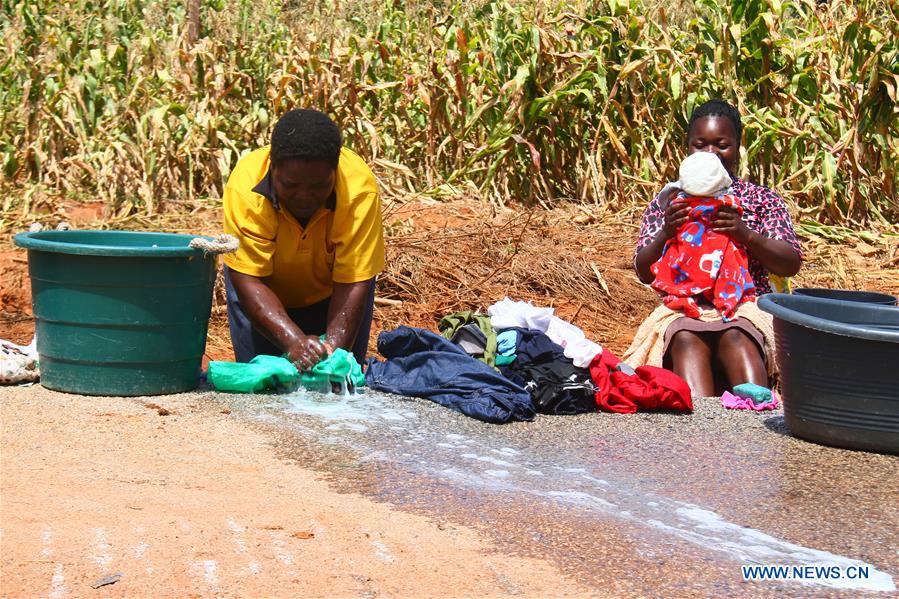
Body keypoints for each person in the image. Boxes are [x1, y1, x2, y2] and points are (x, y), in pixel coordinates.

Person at [624, 99, 802, 397]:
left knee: (737, 337)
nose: (711, 154)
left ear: (737, 147)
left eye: (722, 145)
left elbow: (790, 263)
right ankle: (704, 434)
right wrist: (667, 232)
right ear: (688, 148)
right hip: (685, 307)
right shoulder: (669, 201)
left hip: (745, 306)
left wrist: (745, 234)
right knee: (684, 339)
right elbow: (643, 270)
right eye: (700, 145)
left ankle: (754, 425)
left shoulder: (759, 200)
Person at [222, 108, 384, 371]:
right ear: (272, 168)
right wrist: (294, 342)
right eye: (291, 185)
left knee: (337, 382)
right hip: (262, 295)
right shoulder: (245, 187)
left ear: (335, 171)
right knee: (263, 396)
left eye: (319, 186)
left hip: (335, 295)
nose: (305, 196)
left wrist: (333, 354)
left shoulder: (358, 190)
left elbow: (354, 281)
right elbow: (249, 278)